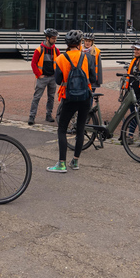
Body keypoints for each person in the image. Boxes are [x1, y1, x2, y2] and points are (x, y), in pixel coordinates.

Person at [47, 29, 96, 173]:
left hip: (69, 97)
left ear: (67, 44)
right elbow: (93, 78)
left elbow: (57, 80)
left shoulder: (61, 59)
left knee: (62, 129)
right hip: (85, 97)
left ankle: (61, 164)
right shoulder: (88, 57)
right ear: (80, 43)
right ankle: (75, 161)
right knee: (80, 129)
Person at [28, 28, 61, 125]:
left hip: (52, 78)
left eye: (55, 39)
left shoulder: (56, 50)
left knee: (51, 97)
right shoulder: (39, 50)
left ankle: (48, 115)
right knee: (36, 97)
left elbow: (59, 63)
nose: (54, 40)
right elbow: (33, 63)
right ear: (47, 38)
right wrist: (38, 75)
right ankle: (32, 116)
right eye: (53, 38)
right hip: (42, 78)